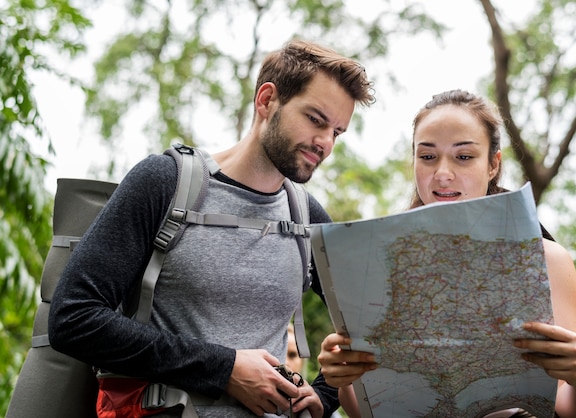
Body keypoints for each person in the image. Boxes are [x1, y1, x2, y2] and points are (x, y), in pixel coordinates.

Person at [48, 39, 375, 418]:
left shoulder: (307, 216)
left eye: (337, 132)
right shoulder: (165, 182)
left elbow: (371, 324)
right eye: (316, 119)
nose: (325, 143)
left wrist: (324, 394)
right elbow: (73, 317)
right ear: (267, 100)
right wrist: (224, 368)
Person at [317, 89, 576, 418]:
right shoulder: (377, 264)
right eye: (427, 157)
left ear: (493, 165)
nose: (442, 173)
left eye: (463, 157)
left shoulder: (547, 260)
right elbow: (364, 410)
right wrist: (344, 379)